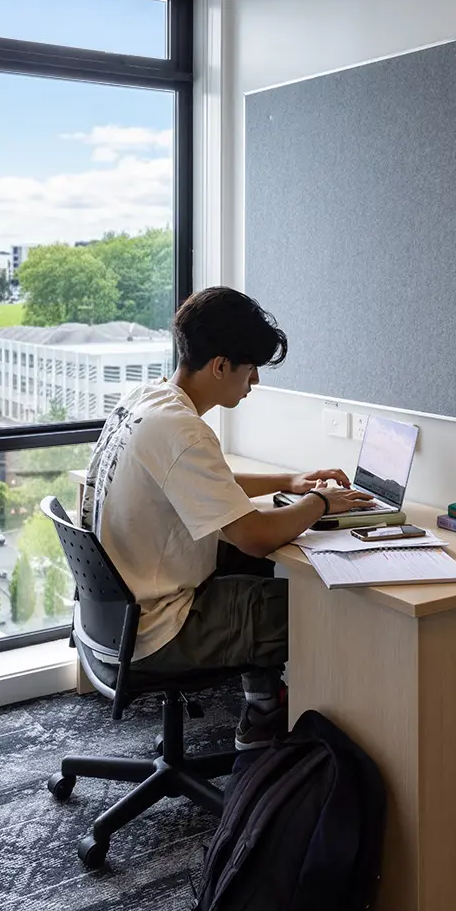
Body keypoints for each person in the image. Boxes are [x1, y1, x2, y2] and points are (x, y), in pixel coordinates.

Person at [81, 287, 371, 748]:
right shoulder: (184, 431)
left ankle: (262, 709)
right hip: (161, 628)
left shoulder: (148, 401)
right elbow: (254, 535)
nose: (254, 381)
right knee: (327, 608)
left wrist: (287, 482)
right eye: (250, 367)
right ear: (220, 366)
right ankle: (312, 747)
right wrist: (320, 503)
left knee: (248, 568)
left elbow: (205, 481)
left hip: (115, 619)